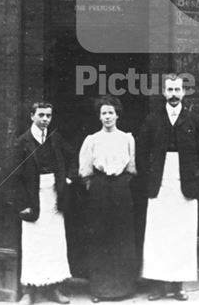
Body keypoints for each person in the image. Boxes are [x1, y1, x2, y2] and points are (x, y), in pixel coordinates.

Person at [136, 74, 199, 301]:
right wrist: (148, 179)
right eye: (169, 90)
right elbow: (141, 153)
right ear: (163, 93)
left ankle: (178, 285)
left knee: (182, 235)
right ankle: (158, 285)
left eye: (177, 90)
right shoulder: (152, 120)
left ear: (184, 92)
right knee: (158, 234)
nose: (173, 94)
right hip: (159, 184)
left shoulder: (195, 121)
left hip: (186, 185)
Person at [12, 101, 73, 305]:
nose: (45, 119)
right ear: (32, 116)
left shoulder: (55, 138)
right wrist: (23, 205)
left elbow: (71, 157)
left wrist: (68, 179)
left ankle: (53, 287)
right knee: (33, 244)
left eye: (48, 115)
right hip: (33, 199)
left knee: (54, 242)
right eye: (41, 115)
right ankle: (29, 290)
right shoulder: (23, 142)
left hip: (54, 197)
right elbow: (15, 177)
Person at [79, 96, 138, 302]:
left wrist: (120, 183)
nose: (107, 117)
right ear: (99, 116)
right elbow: (85, 171)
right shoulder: (92, 140)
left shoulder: (127, 138)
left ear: (117, 114)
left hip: (121, 189)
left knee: (121, 236)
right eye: (103, 113)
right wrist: (97, 187)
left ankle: (122, 288)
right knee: (100, 237)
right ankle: (99, 289)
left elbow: (132, 169)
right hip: (100, 190)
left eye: (110, 112)